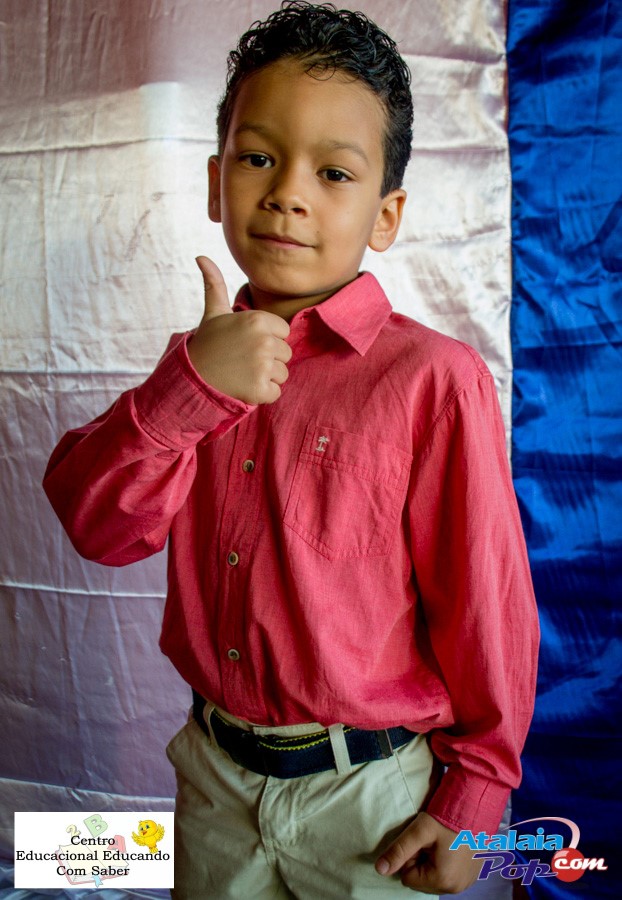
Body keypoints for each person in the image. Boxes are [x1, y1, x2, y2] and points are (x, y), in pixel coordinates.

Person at [43, 2, 539, 897]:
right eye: (258, 158)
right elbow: (98, 528)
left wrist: (476, 795)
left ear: (386, 214)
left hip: (373, 795)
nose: (287, 193)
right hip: (215, 780)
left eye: (335, 172)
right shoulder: (192, 369)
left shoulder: (436, 380)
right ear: (215, 182)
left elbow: (487, 606)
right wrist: (189, 390)